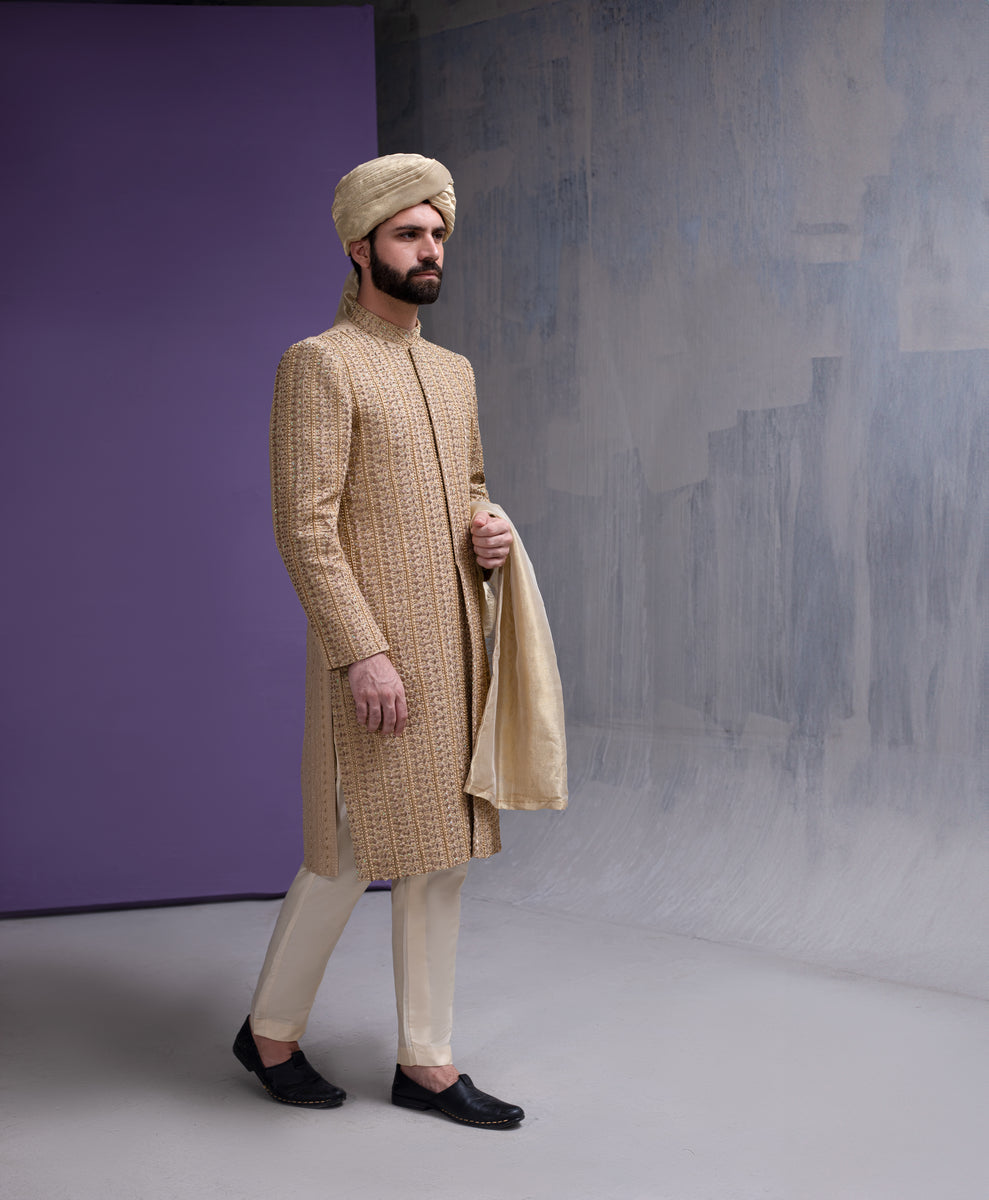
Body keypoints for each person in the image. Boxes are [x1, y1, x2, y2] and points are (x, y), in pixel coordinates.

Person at [233, 153, 525, 1128]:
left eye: (437, 232)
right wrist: (362, 650)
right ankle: (269, 1033)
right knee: (348, 848)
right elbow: (304, 526)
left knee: (438, 854)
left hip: (455, 653)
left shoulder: (452, 372)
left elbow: (470, 486)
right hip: (373, 657)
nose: (429, 248)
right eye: (408, 233)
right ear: (361, 248)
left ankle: (426, 1064)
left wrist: (488, 530)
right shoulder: (318, 362)